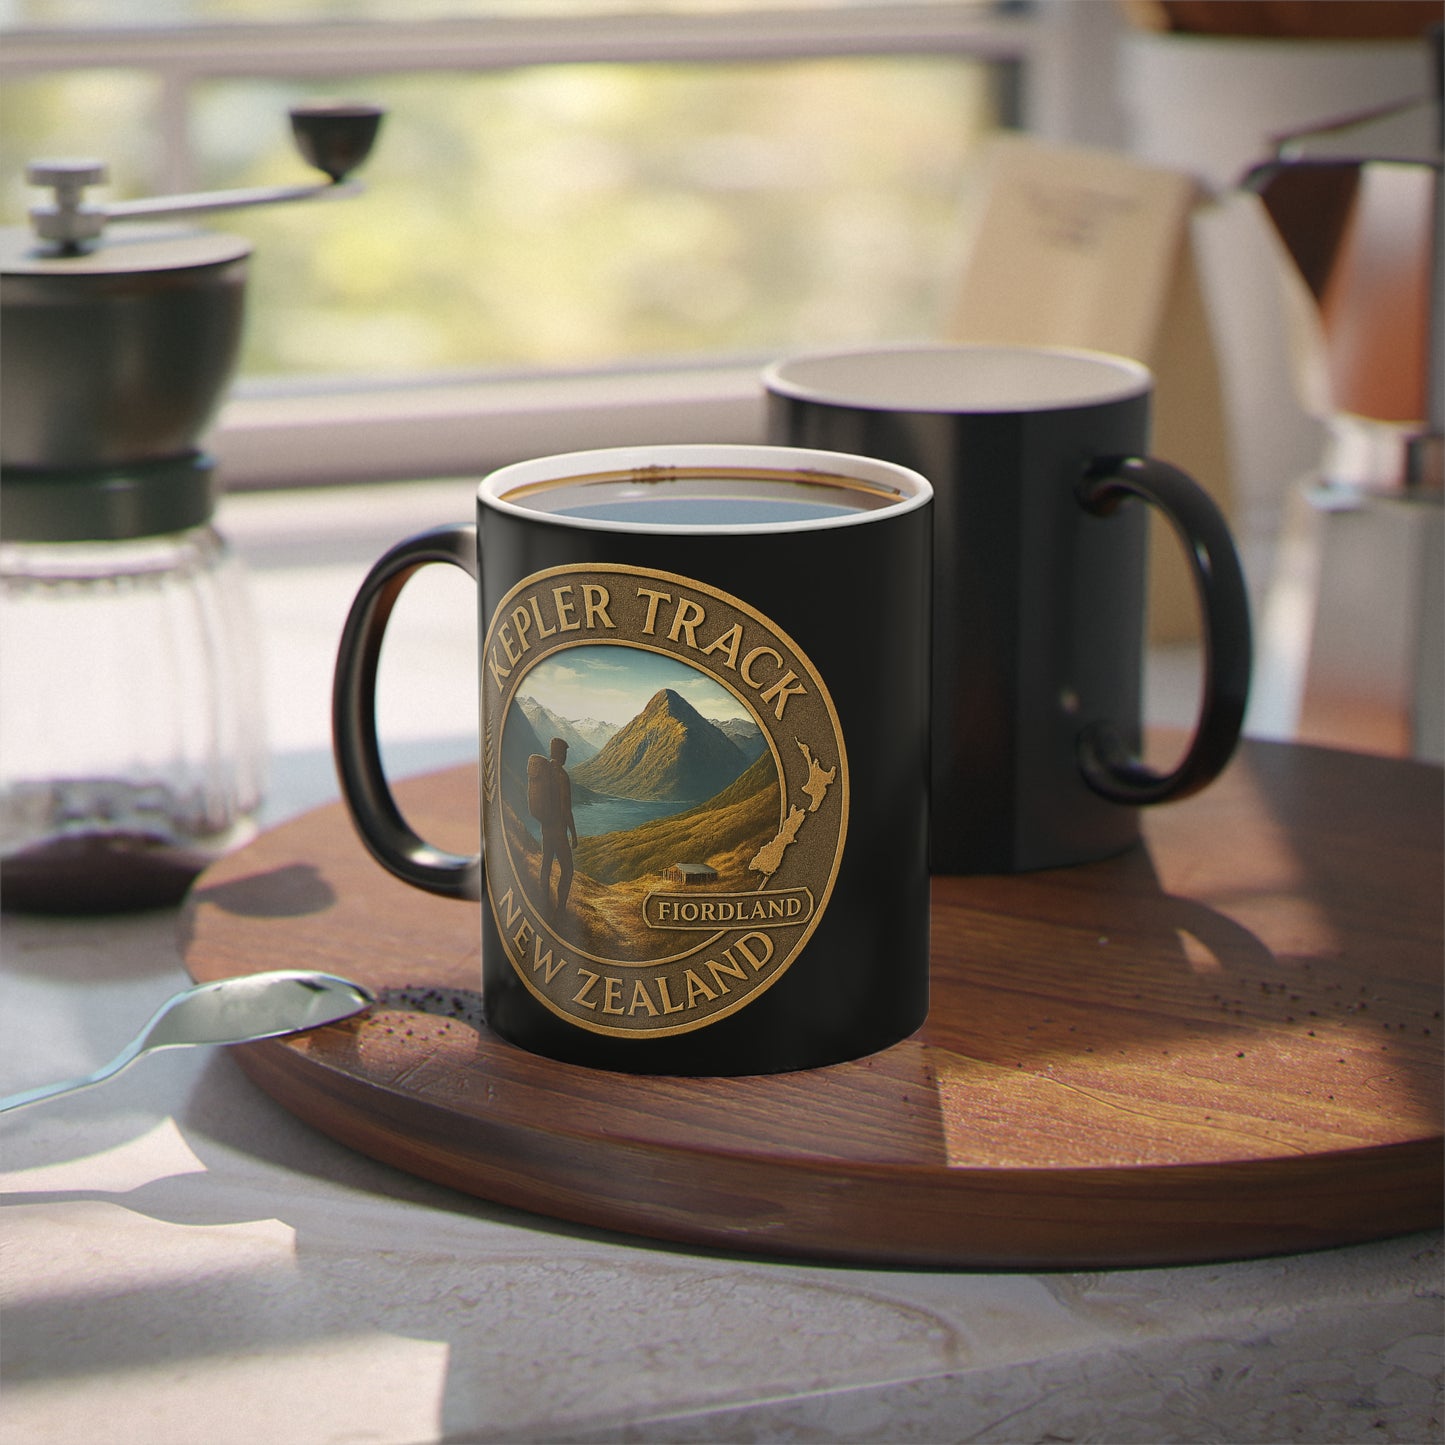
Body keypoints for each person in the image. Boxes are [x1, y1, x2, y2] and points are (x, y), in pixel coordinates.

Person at [538, 736, 577, 915]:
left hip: (545, 828)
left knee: (546, 864)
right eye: (565, 752)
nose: (566, 755)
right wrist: (574, 834)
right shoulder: (561, 776)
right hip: (559, 831)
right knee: (567, 869)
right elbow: (565, 808)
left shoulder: (544, 771)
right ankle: (560, 908)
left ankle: (542, 903)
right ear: (560, 753)